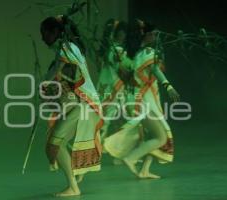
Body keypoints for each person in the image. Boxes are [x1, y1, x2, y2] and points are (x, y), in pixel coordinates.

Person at [104, 19, 180, 179]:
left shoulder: (136, 53)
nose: (157, 37)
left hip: (144, 98)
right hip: (143, 101)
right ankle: (130, 158)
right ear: (148, 35)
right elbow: (154, 70)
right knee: (161, 137)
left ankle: (145, 169)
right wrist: (168, 86)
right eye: (155, 34)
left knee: (154, 136)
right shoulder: (146, 53)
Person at [40, 16, 103, 196]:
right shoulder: (70, 49)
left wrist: (44, 84)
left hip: (84, 105)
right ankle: (75, 176)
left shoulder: (66, 48)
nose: (43, 38)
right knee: (56, 143)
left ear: (54, 32)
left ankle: (73, 186)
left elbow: (58, 72)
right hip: (81, 104)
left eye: (44, 33)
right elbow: (64, 77)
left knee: (55, 143)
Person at [96, 19, 132, 140]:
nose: (124, 35)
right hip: (113, 89)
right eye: (122, 32)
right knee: (108, 117)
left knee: (107, 117)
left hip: (108, 87)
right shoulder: (117, 51)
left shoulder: (110, 51)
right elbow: (122, 71)